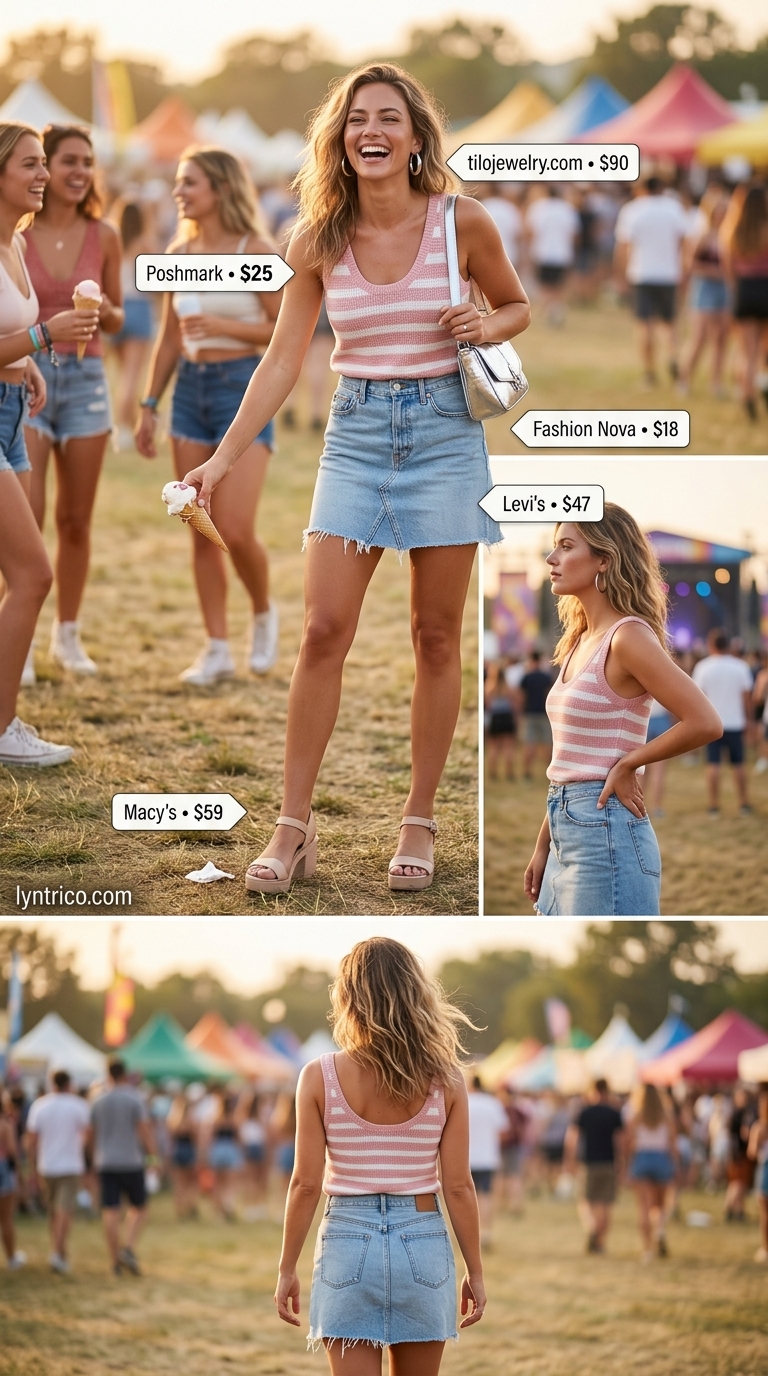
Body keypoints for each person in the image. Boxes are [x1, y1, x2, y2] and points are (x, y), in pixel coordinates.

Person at [183, 62, 530, 894]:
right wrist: (222, 459)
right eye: (355, 120)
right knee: (322, 631)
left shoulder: (463, 221)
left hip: (447, 433)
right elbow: (280, 360)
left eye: (388, 119)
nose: (370, 132)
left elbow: (516, 307)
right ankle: (292, 830)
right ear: (339, 140)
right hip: (358, 433)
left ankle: (419, 820)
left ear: (415, 138)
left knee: (436, 638)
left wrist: (487, 319)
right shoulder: (316, 239)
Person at [274, 937, 486, 1373]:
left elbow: (305, 1184)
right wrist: (476, 1271)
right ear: (415, 993)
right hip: (423, 1239)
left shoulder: (318, 1076)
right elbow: (459, 1187)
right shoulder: (446, 1079)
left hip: (346, 1242)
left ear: (349, 998)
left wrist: (286, 1268)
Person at [523, 504, 722, 916]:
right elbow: (572, 760)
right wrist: (544, 845)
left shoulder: (628, 636)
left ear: (604, 559)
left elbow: (705, 721)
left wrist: (631, 761)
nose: (551, 558)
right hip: (565, 825)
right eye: (553, 546)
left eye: (565, 546)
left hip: (607, 835)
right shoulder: (578, 639)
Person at [136, 145, 281, 684]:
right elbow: (170, 337)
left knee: (236, 530)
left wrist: (224, 330)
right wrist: (150, 403)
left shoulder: (256, 248)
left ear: (219, 189)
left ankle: (264, 613)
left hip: (241, 391)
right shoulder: (177, 253)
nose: (178, 192)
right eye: (178, 182)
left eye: (188, 183)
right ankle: (216, 647)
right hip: (190, 396)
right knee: (199, 527)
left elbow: (281, 332)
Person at [0, 122, 97, 765]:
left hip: (11, 411)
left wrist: (25, 367)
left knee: (21, 571)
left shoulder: (15, 240)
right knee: (34, 573)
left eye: (44, 164)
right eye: (31, 165)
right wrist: (42, 339)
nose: (44, 176)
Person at [24, 123, 123, 677]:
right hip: (28, 378)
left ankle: (67, 634)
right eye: (68, 161)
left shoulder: (103, 235)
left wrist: (101, 308)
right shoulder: (16, 232)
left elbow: (117, 316)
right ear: (45, 167)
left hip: (86, 379)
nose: (79, 171)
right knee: (27, 515)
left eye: (87, 161)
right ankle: (21, 635)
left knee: (76, 521)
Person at [614, 177, 690, 386]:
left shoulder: (632, 210)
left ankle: (649, 372)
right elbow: (683, 242)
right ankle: (673, 357)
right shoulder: (674, 208)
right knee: (670, 323)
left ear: (642, 189)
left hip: (642, 273)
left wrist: (621, 275)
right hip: (668, 274)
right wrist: (683, 269)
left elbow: (623, 246)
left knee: (644, 325)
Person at [89, 1059, 154, 1276]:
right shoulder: (134, 1098)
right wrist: (154, 1157)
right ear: (125, 1074)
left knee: (110, 1211)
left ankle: (115, 1260)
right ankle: (128, 1247)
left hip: (105, 1161)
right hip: (131, 1161)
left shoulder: (98, 1100)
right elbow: (144, 1130)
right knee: (140, 1207)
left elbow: (91, 1134)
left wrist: (92, 1158)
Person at [25, 1068, 90, 1272]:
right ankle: (58, 1252)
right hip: (70, 1165)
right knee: (64, 1211)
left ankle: (58, 1251)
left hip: (47, 1165)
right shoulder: (78, 1105)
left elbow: (31, 1141)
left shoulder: (40, 1106)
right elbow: (87, 1135)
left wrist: (32, 1168)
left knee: (55, 1211)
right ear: (68, 1084)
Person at [109, 198, 157, 448]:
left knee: (122, 374)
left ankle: (124, 424)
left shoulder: (113, 241)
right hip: (138, 308)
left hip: (117, 308)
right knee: (131, 375)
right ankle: (124, 429)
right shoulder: (144, 244)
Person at [692, 628, 754, 817]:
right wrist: (749, 721)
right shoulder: (740, 666)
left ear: (711, 645)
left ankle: (713, 805)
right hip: (735, 722)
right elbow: (746, 698)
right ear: (727, 645)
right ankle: (743, 803)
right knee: (739, 764)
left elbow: (697, 697)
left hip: (712, 724)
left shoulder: (703, 667)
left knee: (713, 764)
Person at [720, 183, 768, 419]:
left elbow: (728, 269)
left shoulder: (732, 229)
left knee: (747, 352)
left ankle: (747, 396)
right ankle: (764, 384)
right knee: (765, 350)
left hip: (744, 290)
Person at [678, 188, 731, 396]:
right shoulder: (702, 234)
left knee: (722, 339)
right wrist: (716, 272)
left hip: (725, 288)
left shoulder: (729, 234)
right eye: (720, 210)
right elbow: (690, 264)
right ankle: (684, 379)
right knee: (699, 338)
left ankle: (715, 383)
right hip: (705, 288)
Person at [563, 1078, 623, 1255]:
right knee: (605, 1204)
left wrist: (569, 1160)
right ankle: (600, 1241)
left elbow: (572, 1138)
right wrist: (623, 1161)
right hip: (609, 1163)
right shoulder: (614, 1113)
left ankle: (592, 1228)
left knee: (585, 1201)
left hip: (589, 1163)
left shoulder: (585, 1112)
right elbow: (622, 1140)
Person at [625, 1083, 678, 1262]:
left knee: (644, 1207)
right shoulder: (666, 1116)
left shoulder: (637, 1116)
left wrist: (626, 1165)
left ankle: (647, 1248)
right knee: (660, 1205)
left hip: (642, 1158)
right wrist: (676, 1165)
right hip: (661, 1158)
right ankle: (660, 1231)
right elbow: (672, 1143)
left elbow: (629, 1142)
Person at [525, 186, 579, 324]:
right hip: (562, 253)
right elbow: (573, 234)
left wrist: (530, 251)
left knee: (545, 285)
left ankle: (547, 312)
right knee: (558, 286)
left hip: (542, 252)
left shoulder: (539, 208)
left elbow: (531, 232)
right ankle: (556, 311)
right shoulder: (567, 208)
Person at [467, 1074, 509, 1249]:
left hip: (466, 1157)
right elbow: (503, 1130)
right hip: (487, 1157)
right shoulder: (492, 1103)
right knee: (485, 1195)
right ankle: (485, 1232)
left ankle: (469, 1234)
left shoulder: (465, 1101)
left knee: (467, 1197)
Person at [207, 1089, 243, 1221]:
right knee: (229, 1183)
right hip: (230, 1150)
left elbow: (209, 1138)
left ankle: (219, 1210)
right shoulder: (234, 1119)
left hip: (217, 1151)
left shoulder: (215, 1119)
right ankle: (228, 1206)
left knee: (218, 1183)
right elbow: (239, 1138)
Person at [0, 1089, 26, 1269]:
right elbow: (12, 1151)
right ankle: (11, 1258)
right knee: (6, 1218)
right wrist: (20, 1172)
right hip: (3, 1170)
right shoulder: (5, 1124)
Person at [517, 650, 552, 779]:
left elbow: (521, 697)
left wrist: (520, 712)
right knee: (547, 743)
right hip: (543, 713)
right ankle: (549, 773)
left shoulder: (527, 677)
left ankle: (527, 772)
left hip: (529, 713)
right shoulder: (545, 677)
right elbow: (549, 695)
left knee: (529, 744)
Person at [166, 1091, 199, 1221]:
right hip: (188, 1150)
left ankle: (180, 1209)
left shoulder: (173, 1121)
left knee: (179, 1183)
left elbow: (170, 1139)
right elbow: (195, 1138)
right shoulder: (190, 1121)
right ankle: (190, 1206)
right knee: (190, 1182)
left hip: (177, 1151)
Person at [724, 1087, 756, 1222]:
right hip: (740, 1153)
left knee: (735, 1183)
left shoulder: (733, 1113)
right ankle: (736, 1210)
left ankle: (731, 1209)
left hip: (733, 1152)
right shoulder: (744, 1114)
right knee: (739, 1183)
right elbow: (745, 1133)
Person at [747, 1084, 768, 1263]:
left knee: (764, 1214)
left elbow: (752, 1153)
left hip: (765, 1170)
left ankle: (765, 1248)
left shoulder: (759, 1127)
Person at [484, 662, 517, 780]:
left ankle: (493, 773)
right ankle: (509, 773)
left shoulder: (489, 687)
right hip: (507, 716)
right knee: (509, 747)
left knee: (493, 748)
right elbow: (514, 702)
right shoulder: (508, 687)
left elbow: (488, 705)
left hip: (496, 717)